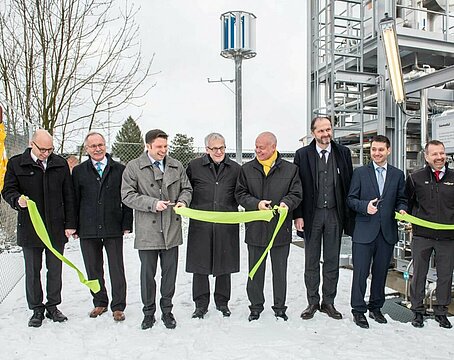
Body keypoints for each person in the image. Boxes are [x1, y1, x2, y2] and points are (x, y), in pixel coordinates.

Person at [1, 129, 76, 327]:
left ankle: (53, 306)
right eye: (42, 149)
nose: (46, 153)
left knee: (55, 269)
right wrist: (17, 200)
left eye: (49, 149)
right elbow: (8, 190)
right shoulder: (17, 163)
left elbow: (68, 195)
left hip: (56, 228)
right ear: (31, 144)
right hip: (30, 227)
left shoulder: (59, 163)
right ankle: (36, 308)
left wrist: (70, 224)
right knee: (33, 270)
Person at [121, 129, 192, 330]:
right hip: (147, 231)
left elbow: (187, 189)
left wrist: (183, 201)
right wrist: (152, 203)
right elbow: (127, 195)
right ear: (148, 146)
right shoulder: (133, 167)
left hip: (171, 229)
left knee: (169, 275)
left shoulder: (176, 165)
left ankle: (167, 311)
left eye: (166, 146)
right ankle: (148, 312)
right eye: (159, 147)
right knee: (147, 275)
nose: (163, 150)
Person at [235, 131, 302, 321]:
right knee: (255, 270)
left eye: (262, 147)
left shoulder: (291, 170)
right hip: (255, 229)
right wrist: (256, 204)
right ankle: (255, 307)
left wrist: (286, 203)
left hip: (280, 230)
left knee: (279, 271)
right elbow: (240, 194)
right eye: (256, 146)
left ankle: (280, 307)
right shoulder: (246, 169)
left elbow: (296, 193)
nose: (258, 150)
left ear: (273, 147)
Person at [293, 116, 354, 321]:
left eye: (328, 129)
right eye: (321, 131)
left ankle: (329, 301)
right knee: (311, 260)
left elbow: (348, 186)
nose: (326, 134)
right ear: (313, 133)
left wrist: (348, 216)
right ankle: (312, 301)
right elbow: (297, 187)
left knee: (331, 260)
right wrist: (298, 215)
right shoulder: (302, 155)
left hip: (335, 215)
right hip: (312, 215)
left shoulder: (343, 153)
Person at [347, 135, 407, 328]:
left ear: (388, 150)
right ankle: (358, 310)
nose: (376, 153)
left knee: (381, 272)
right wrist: (365, 206)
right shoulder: (360, 173)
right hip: (364, 231)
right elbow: (350, 199)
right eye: (373, 149)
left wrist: (402, 208)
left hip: (386, 232)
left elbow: (401, 198)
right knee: (360, 273)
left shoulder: (397, 175)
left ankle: (375, 308)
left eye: (381, 149)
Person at [72, 132, 133, 322]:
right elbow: (73, 200)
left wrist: (126, 223)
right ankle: (99, 302)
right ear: (86, 149)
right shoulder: (79, 171)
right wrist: (73, 225)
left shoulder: (120, 170)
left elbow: (127, 199)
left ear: (106, 146)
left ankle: (118, 306)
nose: (97, 149)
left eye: (101, 144)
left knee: (116, 267)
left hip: (113, 226)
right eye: (93, 146)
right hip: (88, 228)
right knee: (93, 268)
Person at [186, 132, 241, 319]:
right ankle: (200, 304)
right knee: (199, 265)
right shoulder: (194, 167)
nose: (219, 152)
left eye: (222, 147)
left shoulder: (235, 168)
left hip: (226, 224)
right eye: (215, 148)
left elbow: (241, 193)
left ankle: (222, 302)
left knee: (224, 264)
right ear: (206, 149)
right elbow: (186, 190)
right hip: (201, 225)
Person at [406, 140, 454, 329]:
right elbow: (406, 201)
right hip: (422, 236)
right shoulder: (415, 178)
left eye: (441, 153)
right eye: (434, 154)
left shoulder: (453, 177)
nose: (439, 157)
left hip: (447, 238)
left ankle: (441, 311)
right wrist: (404, 213)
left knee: (445, 275)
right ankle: (417, 311)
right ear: (426, 157)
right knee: (419, 274)